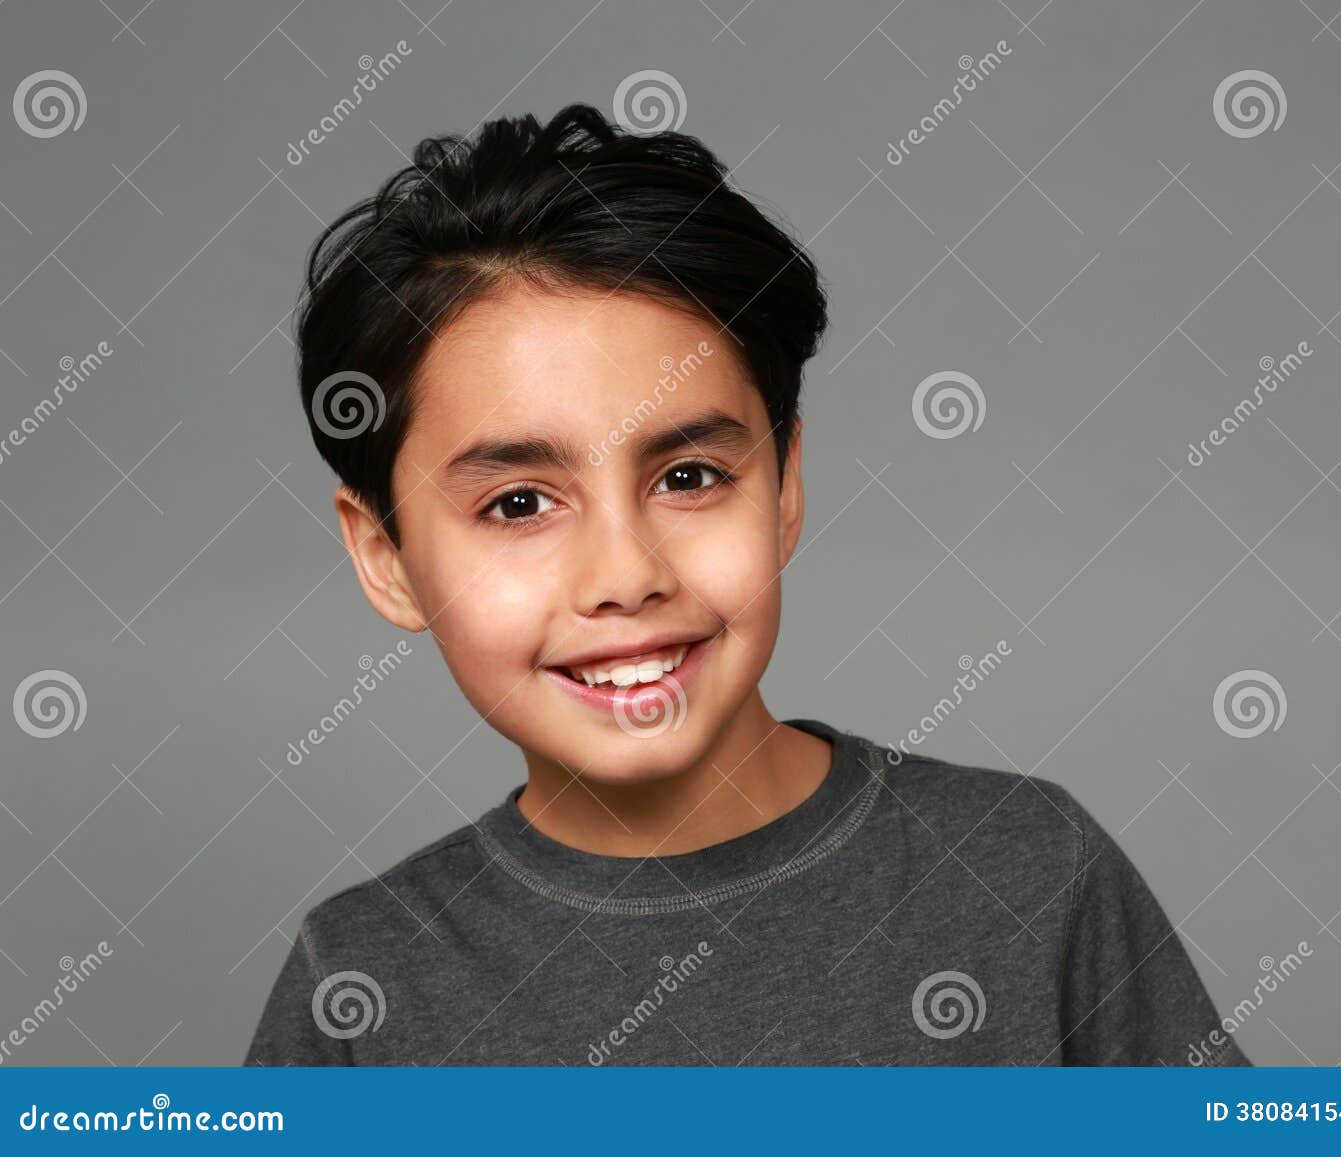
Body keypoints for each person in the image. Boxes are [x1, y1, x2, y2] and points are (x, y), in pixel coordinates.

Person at [244, 103, 1248, 1067]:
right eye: (517, 504)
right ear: (387, 557)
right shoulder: (363, 988)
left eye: (688, 478)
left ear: (782, 488)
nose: (625, 575)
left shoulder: (1027, 873)